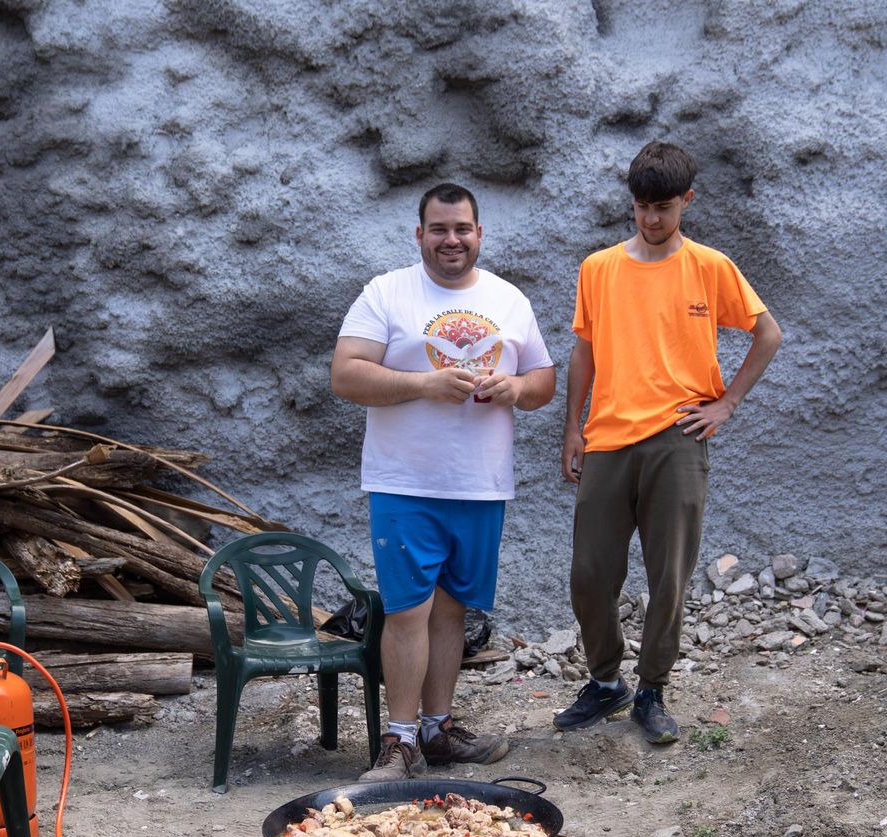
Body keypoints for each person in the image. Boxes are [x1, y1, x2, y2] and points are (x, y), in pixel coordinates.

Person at [557, 141, 782, 743]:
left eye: (663, 207)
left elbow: (768, 334)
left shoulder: (711, 266)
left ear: (687, 199)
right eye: (640, 207)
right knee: (590, 573)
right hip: (606, 437)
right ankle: (606, 682)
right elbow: (584, 350)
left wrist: (727, 403)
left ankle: (652, 689)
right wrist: (573, 428)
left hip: (678, 440)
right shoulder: (598, 268)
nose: (651, 220)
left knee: (669, 576)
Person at [332, 183, 556, 781]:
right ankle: (398, 742)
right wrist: (423, 385)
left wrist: (516, 389)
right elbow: (346, 375)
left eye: (462, 229)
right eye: (439, 229)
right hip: (405, 482)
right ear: (420, 235)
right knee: (408, 610)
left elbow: (542, 379)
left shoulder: (509, 299)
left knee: (452, 611)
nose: (451, 239)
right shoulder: (387, 292)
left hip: (481, 484)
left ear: (479, 234)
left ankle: (438, 729)